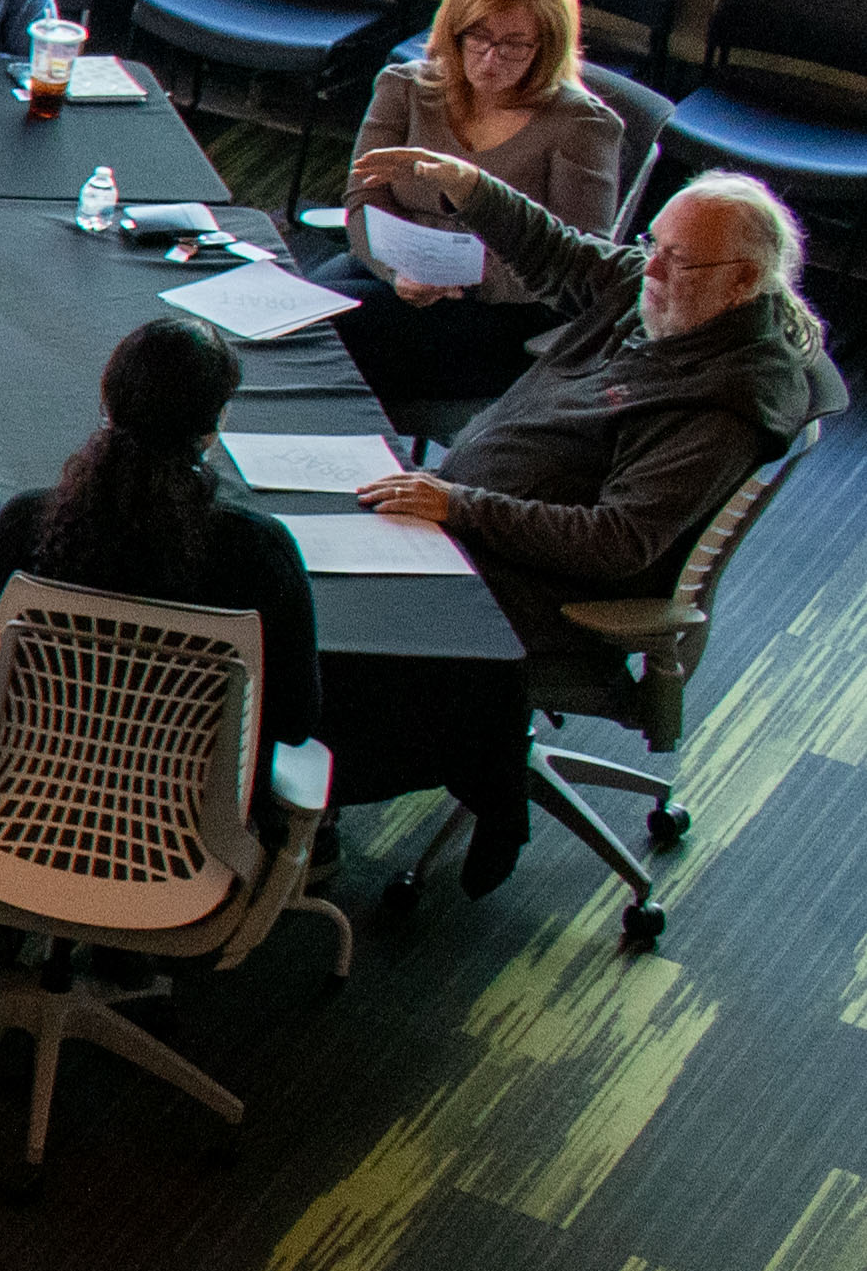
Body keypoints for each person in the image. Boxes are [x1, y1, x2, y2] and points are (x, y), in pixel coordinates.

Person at [337, 153, 834, 885]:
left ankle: (336, 809)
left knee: (342, 622)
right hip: (465, 522)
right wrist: (473, 190)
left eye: (678, 262)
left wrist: (458, 504)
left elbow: (616, 542)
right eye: (652, 248)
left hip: (537, 586)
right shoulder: (669, 297)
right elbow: (561, 256)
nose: (651, 273)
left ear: (740, 281)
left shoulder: (719, 405)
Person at [0, 314, 321, 763]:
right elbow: (293, 722)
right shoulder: (261, 554)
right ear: (214, 427)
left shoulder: (25, 525)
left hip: (23, 799)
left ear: (106, 404)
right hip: (187, 821)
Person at [324, 0, 625, 411]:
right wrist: (394, 271)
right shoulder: (404, 87)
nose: (490, 59)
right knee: (301, 313)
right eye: (477, 38)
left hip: (503, 306)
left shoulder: (581, 126)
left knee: (333, 334)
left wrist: (456, 280)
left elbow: (580, 257)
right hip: (396, 268)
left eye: (514, 45)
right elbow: (363, 194)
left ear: (545, 46)